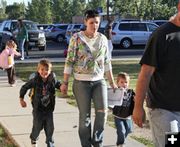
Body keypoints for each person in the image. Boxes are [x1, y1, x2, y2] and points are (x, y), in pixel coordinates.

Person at [60, 9, 117, 147]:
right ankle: (86, 144)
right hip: (81, 83)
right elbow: (69, 61)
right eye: (91, 22)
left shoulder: (103, 39)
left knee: (102, 113)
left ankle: (97, 142)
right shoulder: (76, 38)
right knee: (85, 117)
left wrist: (112, 82)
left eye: (97, 22)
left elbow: (107, 62)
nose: (94, 25)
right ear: (85, 22)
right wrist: (65, 82)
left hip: (99, 82)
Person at [133, 1, 180, 147]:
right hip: (164, 109)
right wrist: (138, 107)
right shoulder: (161, 35)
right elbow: (145, 74)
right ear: (179, 6)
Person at [19, 59, 61, 147]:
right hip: (38, 109)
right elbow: (24, 87)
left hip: (49, 108)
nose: (44, 72)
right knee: (38, 127)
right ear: (38, 70)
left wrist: (61, 87)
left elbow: (57, 84)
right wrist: (21, 99)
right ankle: (34, 139)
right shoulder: (35, 80)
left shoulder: (52, 79)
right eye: (42, 69)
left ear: (50, 71)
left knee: (50, 128)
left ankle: (50, 143)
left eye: (47, 69)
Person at [112, 72, 134, 147]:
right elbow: (110, 99)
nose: (124, 84)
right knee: (121, 131)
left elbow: (136, 99)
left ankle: (122, 138)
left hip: (127, 116)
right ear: (117, 83)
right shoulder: (116, 92)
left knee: (129, 130)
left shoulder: (131, 92)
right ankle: (120, 143)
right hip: (118, 116)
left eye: (126, 82)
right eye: (121, 82)